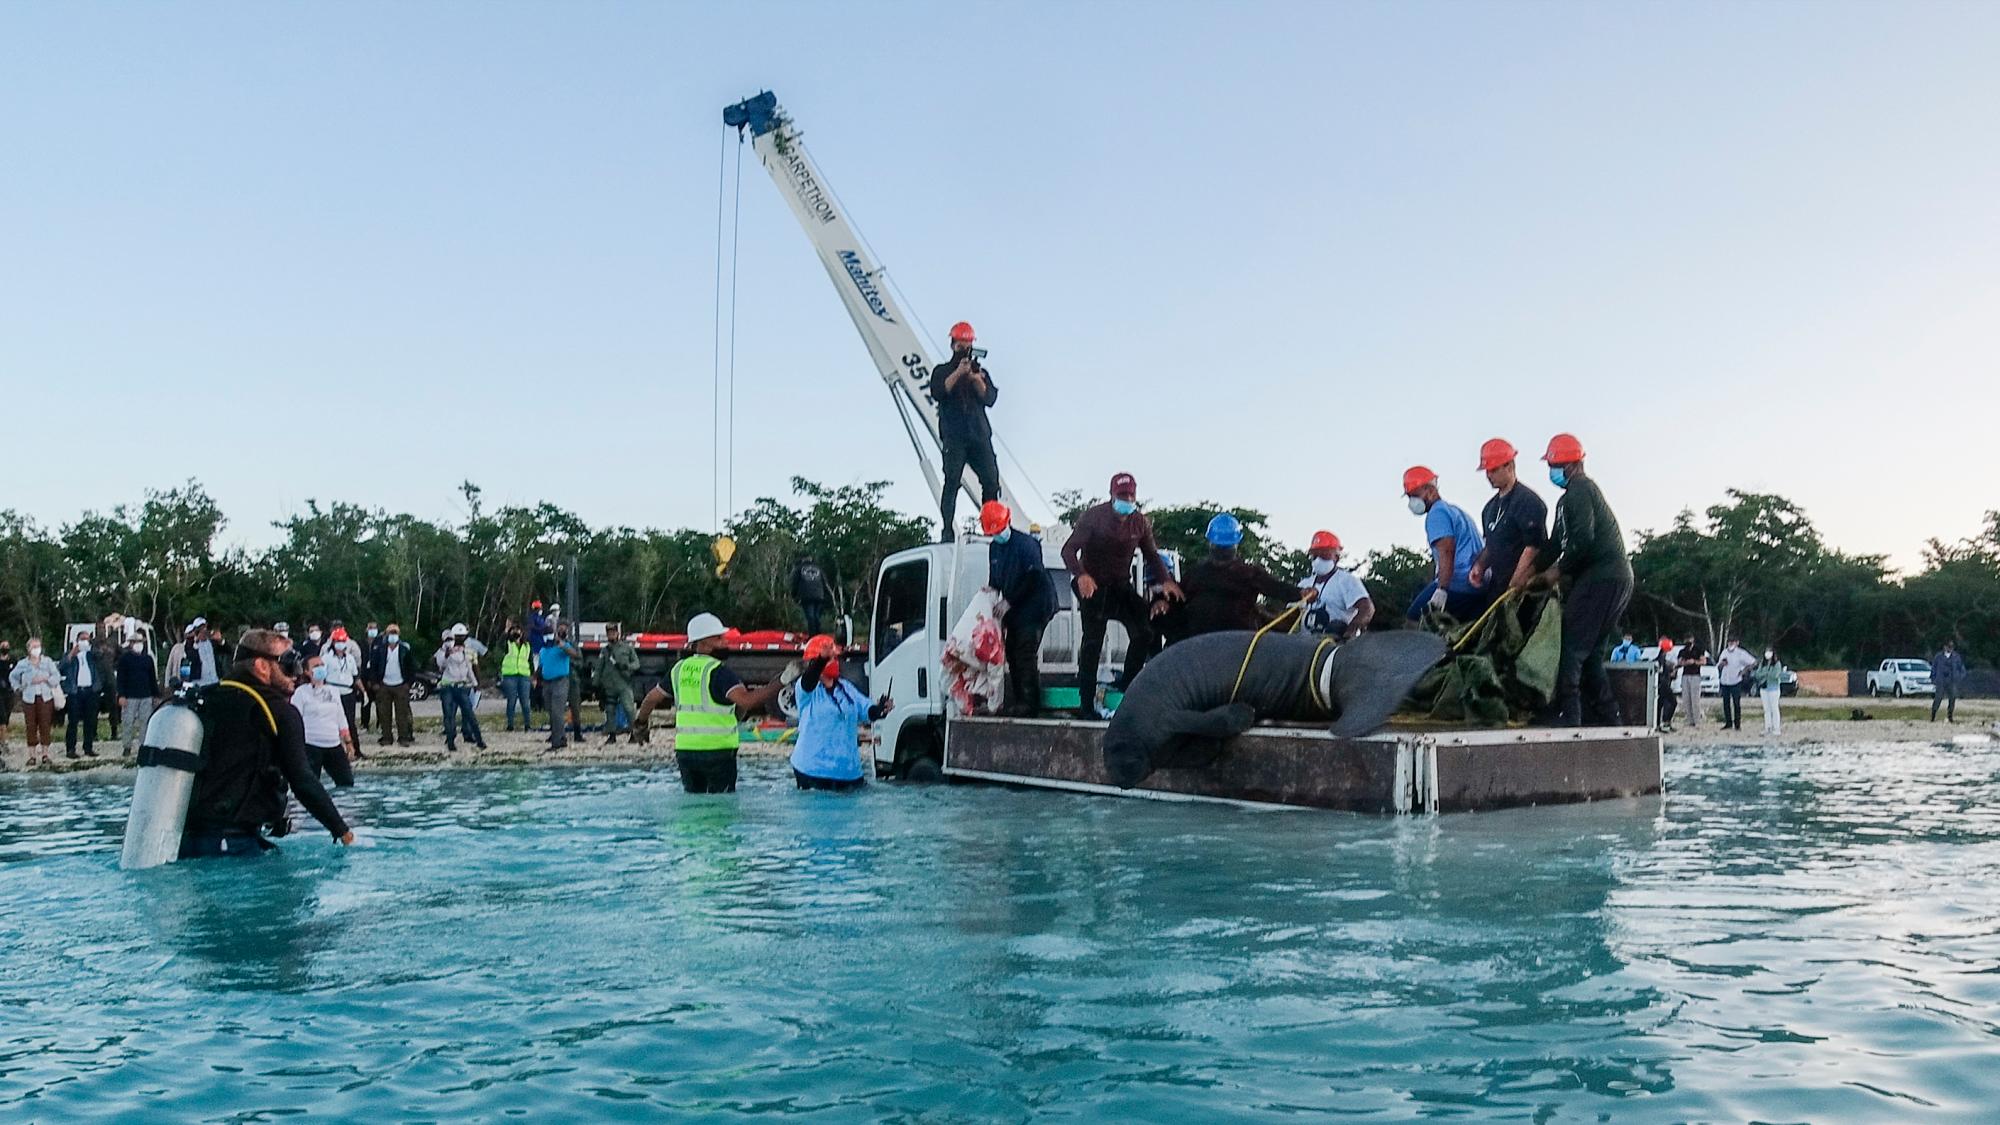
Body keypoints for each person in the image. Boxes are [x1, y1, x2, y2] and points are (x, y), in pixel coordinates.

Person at [180, 628, 353, 858]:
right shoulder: (279, 712)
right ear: (262, 666)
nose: (297, 672)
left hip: (184, 839)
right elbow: (303, 781)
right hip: (233, 842)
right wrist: (342, 830)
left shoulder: (206, 700)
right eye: (289, 663)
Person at [1525, 435, 1634, 726]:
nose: (1553, 471)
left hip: (1601, 578)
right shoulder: (1569, 498)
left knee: (1571, 647)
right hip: (1616, 579)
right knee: (1592, 655)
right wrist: (1529, 573)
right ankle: (1610, 718)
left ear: (1573, 464)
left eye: (1556, 465)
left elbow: (1582, 541)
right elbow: (1556, 543)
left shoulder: (1580, 491)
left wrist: (1554, 574)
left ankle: (1568, 715)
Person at [1060, 472, 1183, 717]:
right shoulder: (1094, 517)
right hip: (1093, 585)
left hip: (1120, 586)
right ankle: (1086, 705)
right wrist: (1081, 575)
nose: (1126, 499)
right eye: (1121, 495)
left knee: (1144, 631)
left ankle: (1128, 683)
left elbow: (1151, 556)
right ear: (1111, 495)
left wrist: (1166, 581)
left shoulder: (1140, 522)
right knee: (1092, 642)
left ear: (1135, 496)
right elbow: (1068, 551)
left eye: (1130, 495)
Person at [633, 613, 783, 792]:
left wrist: (640, 724)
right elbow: (747, 701)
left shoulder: (679, 669)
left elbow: (650, 699)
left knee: (693, 808)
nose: (725, 642)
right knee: (720, 809)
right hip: (718, 752)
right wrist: (781, 681)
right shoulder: (719, 672)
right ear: (702, 643)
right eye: (719, 638)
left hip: (686, 752)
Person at [982, 501, 1057, 716]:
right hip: (1016, 607)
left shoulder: (1026, 544)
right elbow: (996, 580)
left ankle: (1031, 704)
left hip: (1036, 603)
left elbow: (1034, 577)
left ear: (1007, 522)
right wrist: (990, 591)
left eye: (998, 529)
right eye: (993, 531)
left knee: (1024, 651)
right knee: (1012, 651)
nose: (996, 534)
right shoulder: (995, 548)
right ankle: (1019, 701)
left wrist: (1009, 601)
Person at [928, 321, 1001, 540]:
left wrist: (976, 380)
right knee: (952, 481)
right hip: (955, 437)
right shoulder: (942, 371)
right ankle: (948, 529)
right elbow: (939, 392)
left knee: (991, 481)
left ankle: (991, 526)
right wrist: (959, 372)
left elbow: (990, 399)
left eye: (968, 345)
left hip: (979, 435)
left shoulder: (980, 371)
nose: (965, 350)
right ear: (953, 345)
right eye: (962, 345)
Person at [1174, 513, 1300, 639]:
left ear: (1210, 542)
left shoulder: (1196, 573)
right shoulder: (1196, 574)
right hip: (1212, 644)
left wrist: (1300, 593)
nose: (1222, 549)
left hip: (1229, 644)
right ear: (1236, 544)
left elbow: (1277, 588)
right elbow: (1277, 588)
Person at [789, 635, 891, 790]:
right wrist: (822, 660)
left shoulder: (846, 688)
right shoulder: (806, 690)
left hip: (848, 773)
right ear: (813, 662)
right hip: (812, 771)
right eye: (831, 659)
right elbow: (808, 681)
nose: (835, 662)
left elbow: (866, 710)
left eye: (836, 658)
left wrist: (880, 709)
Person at [1469, 439, 1550, 610]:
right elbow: (1491, 545)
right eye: (1487, 471)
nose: (1489, 475)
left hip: (1526, 589)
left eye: (1493, 470)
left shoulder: (1528, 501)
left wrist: (1517, 581)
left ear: (1510, 466)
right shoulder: (1489, 509)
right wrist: (1480, 566)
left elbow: (1533, 547)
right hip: (1498, 587)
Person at [1401, 467, 1487, 621]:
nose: (1412, 502)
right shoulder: (1455, 511)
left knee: (1413, 621)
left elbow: (1447, 551)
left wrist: (1442, 590)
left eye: (1415, 495)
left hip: (1458, 584)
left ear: (1430, 490)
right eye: (1409, 497)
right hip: (1479, 584)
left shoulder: (1436, 514)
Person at [291, 654, 357, 787]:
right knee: (310, 785)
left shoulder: (333, 691)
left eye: (322, 665)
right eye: (316, 666)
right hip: (311, 745)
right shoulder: (301, 693)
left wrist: (348, 741)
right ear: (307, 671)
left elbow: (340, 717)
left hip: (333, 744)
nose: (320, 668)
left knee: (347, 782)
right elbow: (294, 720)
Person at [1297, 531, 1374, 640]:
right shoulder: (1304, 584)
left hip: (1335, 646)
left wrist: (1350, 631)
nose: (1318, 560)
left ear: (1336, 557)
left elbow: (1367, 608)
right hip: (1304, 646)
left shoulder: (1347, 581)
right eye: (1315, 555)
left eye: (1324, 555)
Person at [434, 623, 488, 752]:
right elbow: (441, 666)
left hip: (461, 686)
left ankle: (479, 740)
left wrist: (475, 684)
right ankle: (451, 741)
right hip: (447, 687)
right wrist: (447, 654)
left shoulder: (463, 652)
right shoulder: (441, 652)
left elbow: (468, 669)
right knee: (449, 715)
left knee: (469, 713)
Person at [365, 623, 419, 746]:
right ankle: (386, 737)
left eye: (395, 633)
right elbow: (373, 667)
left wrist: (408, 684)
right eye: (390, 633)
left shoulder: (405, 650)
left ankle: (403, 738)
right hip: (384, 685)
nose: (392, 636)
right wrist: (375, 683)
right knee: (384, 714)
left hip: (400, 685)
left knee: (402, 714)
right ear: (386, 635)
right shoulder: (379, 650)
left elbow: (412, 668)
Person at [10, 638, 59, 766]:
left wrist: (46, 678)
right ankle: (32, 756)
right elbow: (13, 676)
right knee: (30, 726)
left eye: (38, 646)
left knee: (45, 725)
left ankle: (45, 754)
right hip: (29, 698)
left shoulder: (47, 661)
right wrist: (19, 687)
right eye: (34, 647)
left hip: (45, 697)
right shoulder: (23, 664)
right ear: (29, 649)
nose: (37, 649)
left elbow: (56, 676)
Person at [320, 627, 364, 759]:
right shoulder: (326, 658)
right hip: (332, 693)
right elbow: (321, 677)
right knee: (331, 723)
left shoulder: (350, 658)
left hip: (348, 693)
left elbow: (356, 677)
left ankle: (356, 750)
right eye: (338, 641)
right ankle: (334, 752)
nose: (341, 644)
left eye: (343, 641)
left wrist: (363, 690)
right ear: (333, 643)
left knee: (350, 722)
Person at [536, 625, 583, 749]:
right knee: (551, 711)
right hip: (547, 683)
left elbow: (576, 655)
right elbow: (541, 667)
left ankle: (556, 742)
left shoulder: (562, 646)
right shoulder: (543, 650)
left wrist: (562, 645)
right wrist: (535, 678)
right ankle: (561, 737)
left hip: (560, 681)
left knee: (557, 712)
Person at [115, 634, 161, 759]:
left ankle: (143, 746)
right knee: (128, 722)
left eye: (140, 641)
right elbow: (120, 679)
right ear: (130, 643)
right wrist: (121, 695)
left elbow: (152, 678)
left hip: (146, 695)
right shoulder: (124, 659)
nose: (138, 643)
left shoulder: (148, 659)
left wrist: (155, 695)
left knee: (145, 722)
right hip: (130, 696)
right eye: (136, 641)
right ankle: (127, 746)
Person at [594, 623, 640, 744]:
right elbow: (598, 668)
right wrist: (595, 684)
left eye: (613, 632)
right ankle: (612, 734)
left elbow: (636, 664)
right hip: (609, 685)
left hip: (624, 684)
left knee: (629, 709)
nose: (611, 635)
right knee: (610, 710)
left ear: (618, 634)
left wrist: (627, 666)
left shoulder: (627, 648)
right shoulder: (605, 651)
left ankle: (634, 733)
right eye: (609, 633)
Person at [59, 635, 102, 760]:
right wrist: (72, 654)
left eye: (87, 639)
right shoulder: (69, 655)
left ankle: (88, 748)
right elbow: (61, 668)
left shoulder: (91, 655)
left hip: (90, 691)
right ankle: (70, 749)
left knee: (90, 720)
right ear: (77, 641)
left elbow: (101, 656)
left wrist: (92, 646)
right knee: (73, 721)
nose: (85, 641)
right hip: (75, 692)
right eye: (82, 639)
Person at [1714, 637, 1758, 731]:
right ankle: (1728, 723)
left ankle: (1737, 724)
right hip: (1725, 680)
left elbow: (1754, 662)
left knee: (1736, 703)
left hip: (1736, 681)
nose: (1731, 643)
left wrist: (1744, 670)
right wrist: (1722, 663)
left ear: (1737, 642)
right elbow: (1719, 665)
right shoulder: (1724, 652)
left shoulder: (1741, 653)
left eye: (1733, 642)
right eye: (1729, 642)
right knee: (1726, 703)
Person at [499, 624, 534, 731]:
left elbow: (530, 661)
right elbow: (500, 644)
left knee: (525, 702)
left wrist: (533, 676)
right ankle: (510, 725)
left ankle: (527, 725)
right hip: (510, 675)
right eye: (513, 630)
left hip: (524, 675)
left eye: (518, 630)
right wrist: (505, 633)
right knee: (511, 701)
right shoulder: (507, 644)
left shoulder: (527, 646)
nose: (516, 632)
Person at [790, 555, 833, 635]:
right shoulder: (818, 568)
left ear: (803, 559)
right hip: (819, 595)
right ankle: (818, 634)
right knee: (816, 616)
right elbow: (825, 582)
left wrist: (794, 595)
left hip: (806, 595)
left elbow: (794, 583)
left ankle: (813, 635)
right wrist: (826, 595)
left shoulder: (799, 568)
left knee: (810, 617)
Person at [1753, 649, 1788, 735]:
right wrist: (1767, 673)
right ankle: (1767, 727)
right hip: (1764, 689)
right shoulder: (1762, 663)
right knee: (1766, 709)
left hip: (1774, 689)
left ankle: (1776, 728)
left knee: (1774, 709)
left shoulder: (1777, 664)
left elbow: (1775, 675)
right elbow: (1757, 674)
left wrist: (1765, 673)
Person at [1930, 640, 1966, 723]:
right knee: (1938, 698)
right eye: (1949, 646)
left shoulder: (1956, 656)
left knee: (1952, 699)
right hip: (1941, 681)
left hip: (1952, 681)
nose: (1950, 648)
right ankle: (1933, 715)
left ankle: (1950, 716)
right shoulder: (1938, 656)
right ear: (1944, 647)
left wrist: (1959, 677)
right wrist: (1933, 679)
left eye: (1952, 647)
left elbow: (1961, 668)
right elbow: (1933, 668)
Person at [1677, 637, 1707, 728]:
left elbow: (1704, 661)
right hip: (1685, 675)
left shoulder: (1698, 650)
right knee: (1686, 699)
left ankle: (1697, 720)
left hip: (1695, 675)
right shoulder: (1682, 651)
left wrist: (1694, 662)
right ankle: (1689, 720)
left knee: (1695, 699)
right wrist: (1686, 662)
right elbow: (1680, 662)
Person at [357, 622, 380, 732]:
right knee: (365, 701)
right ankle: (365, 724)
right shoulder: (361, 643)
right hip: (364, 676)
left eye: (375, 628)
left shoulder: (380, 642)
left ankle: (380, 724)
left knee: (380, 702)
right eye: (370, 628)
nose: (373, 630)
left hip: (377, 676)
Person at [1655, 637, 1679, 731]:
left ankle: (1658, 724)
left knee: (1660, 704)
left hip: (1663, 683)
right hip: (1663, 683)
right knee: (1673, 701)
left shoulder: (1661, 656)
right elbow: (1661, 670)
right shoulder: (1662, 657)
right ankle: (1666, 722)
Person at [0, 640, 13, 749]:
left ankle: (2, 739)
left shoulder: (12, 661)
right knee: (2, 717)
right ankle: (4, 742)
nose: (5, 647)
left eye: (7, 646)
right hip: (0, 692)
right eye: (3, 646)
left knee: (7, 717)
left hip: (9, 692)